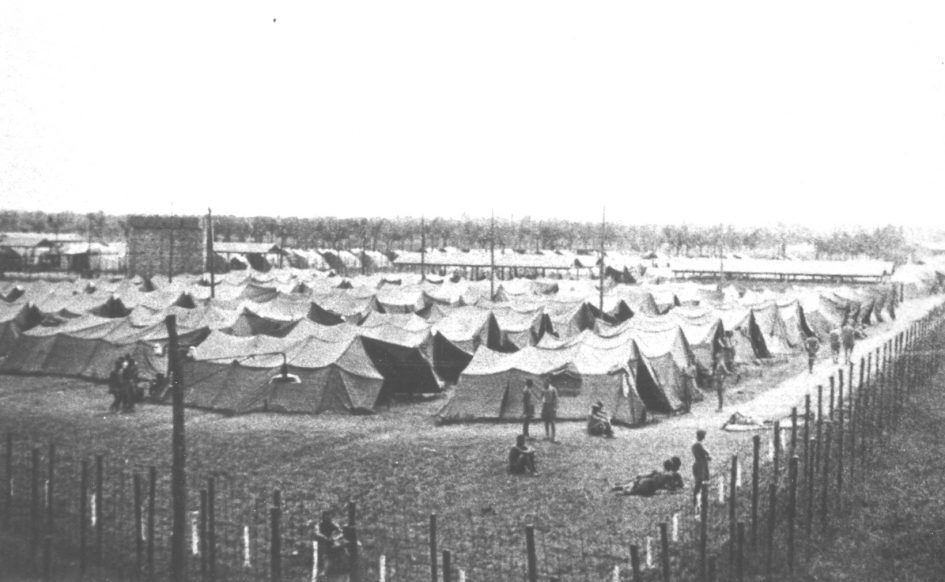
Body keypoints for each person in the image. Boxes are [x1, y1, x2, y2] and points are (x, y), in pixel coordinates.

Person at [313, 511, 345, 576]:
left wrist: (335, 538)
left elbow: (341, 532)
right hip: (322, 543)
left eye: (329, 516)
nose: (328, 518)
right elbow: (316, 533)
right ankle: (323, 569)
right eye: (326, 516)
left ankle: (341, 565)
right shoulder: (319, 525)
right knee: (323, 552)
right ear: (323, 517)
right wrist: (325, 538)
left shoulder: (332, 524)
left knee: (341, 547)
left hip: (331, 542)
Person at [692, 430, 711, 507]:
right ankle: (699, 500)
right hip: (700, 465)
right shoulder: (698, 445)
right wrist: (708, 456)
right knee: (700, 482)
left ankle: (700, 499)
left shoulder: (696, 444)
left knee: (701, 482)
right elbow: (706, 453)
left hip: (700, 464)